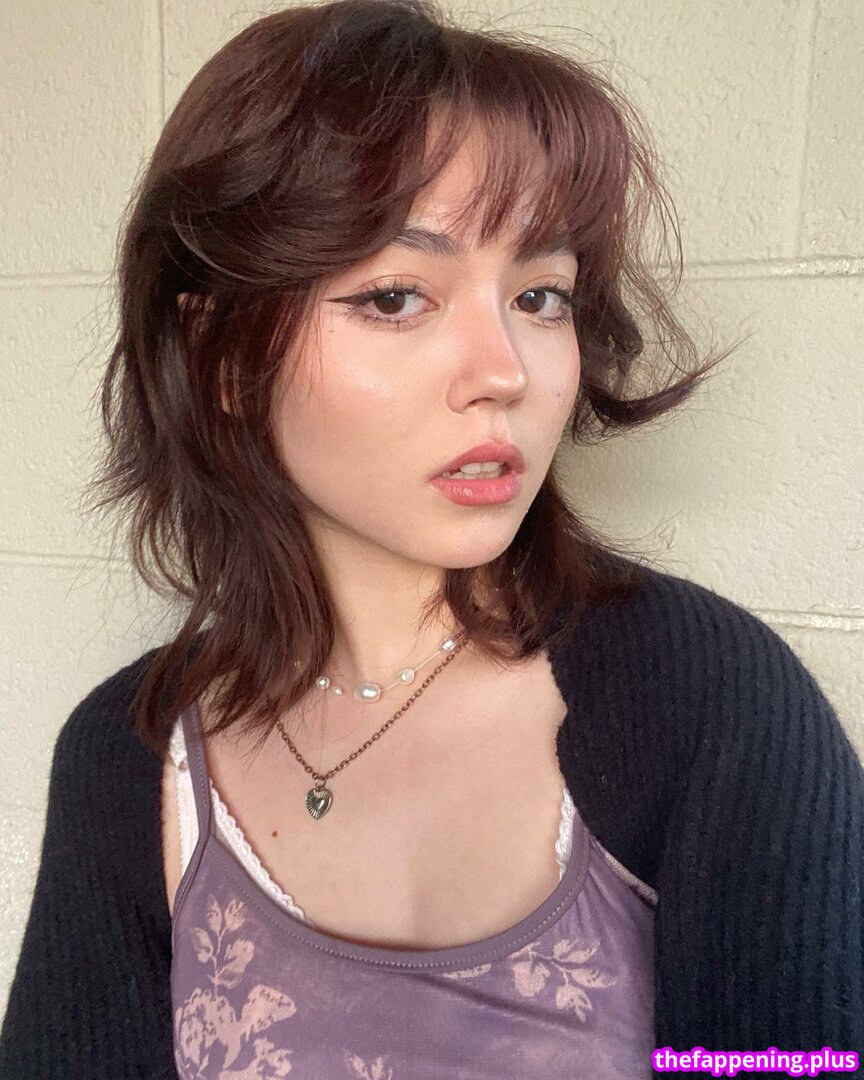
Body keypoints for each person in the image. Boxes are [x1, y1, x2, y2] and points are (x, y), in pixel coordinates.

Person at [1, 1, 862, 1077]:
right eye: (397, 296)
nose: (505, 370)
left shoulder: (708, 701)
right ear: (220, 357)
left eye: (540, 295)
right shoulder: (130, 760)